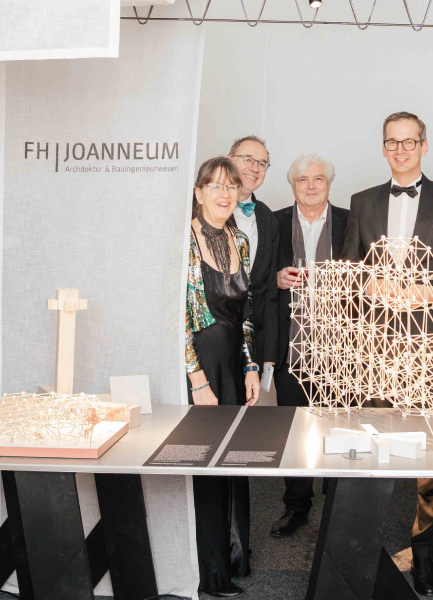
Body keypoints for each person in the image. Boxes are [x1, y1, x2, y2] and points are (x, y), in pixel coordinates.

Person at [340, 112, 433, 596]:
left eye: (408, 142)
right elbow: (349, 271)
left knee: (431, 455)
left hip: (432, 343)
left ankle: (423, 554)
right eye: (392, 142)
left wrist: (431, 291)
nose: (400, 150)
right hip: (376, 345)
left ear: (424, 146)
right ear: (383, 148)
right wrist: (367, 285)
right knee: (371, 446)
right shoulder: (361, 202)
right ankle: (360, 548)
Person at [185, 157, 260, 598]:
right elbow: (175, 315)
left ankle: (234, 556)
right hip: (198, 366)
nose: (224, 193)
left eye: (231, 185)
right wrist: (196, 377)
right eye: (214, 186)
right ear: (198, 193)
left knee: (232, 461)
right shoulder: (183, 240)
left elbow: (246, 313)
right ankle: (210, 574)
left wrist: (250, 366)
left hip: (231, 364)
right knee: (203, 467)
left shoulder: (240, 240)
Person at [268, 154, 348, 539]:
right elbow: (256, 275)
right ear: (293, 185)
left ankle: (339, 503)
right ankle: (297, 506)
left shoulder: (351, 221)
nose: (311, 185)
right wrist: (276, 279)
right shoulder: (274, 223)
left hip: (342, 346)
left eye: (318, 178)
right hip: (291, 344)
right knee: (294, 428)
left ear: (329, 184)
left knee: (339, 427)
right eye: (303, 179)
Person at [227, 136, 280, 381]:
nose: (255, 168)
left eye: (262, 163)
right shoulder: (201, 208)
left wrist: (268, 351)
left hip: (252, 341)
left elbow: (269, 290)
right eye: (248, 159)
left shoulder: (268, 218)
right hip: (210, 335)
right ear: (229, 160)